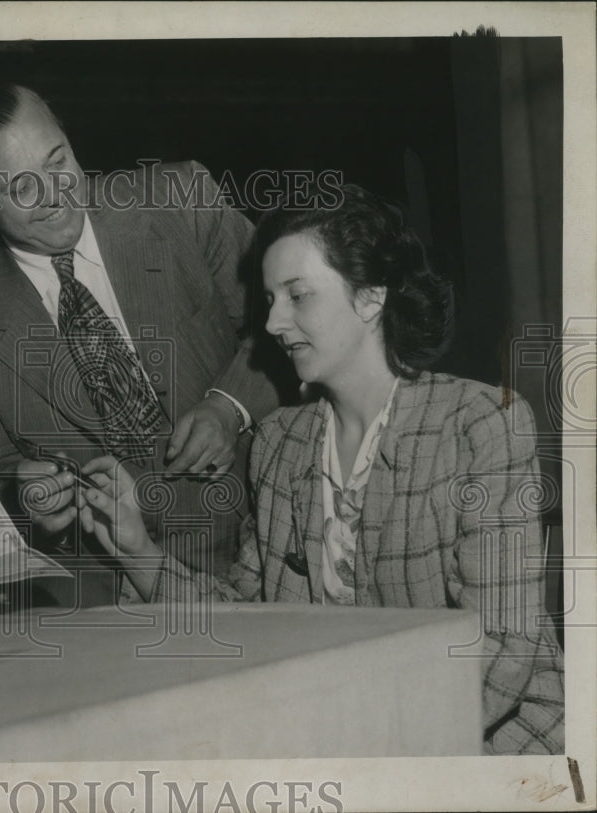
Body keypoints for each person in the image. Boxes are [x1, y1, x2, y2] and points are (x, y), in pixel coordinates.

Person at [76, 184, 565, 755]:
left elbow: (503, 645)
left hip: (488, 741)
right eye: (269, 300)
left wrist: (358, 747)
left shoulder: (481, 424)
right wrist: (138, 551)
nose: (275, 323)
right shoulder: (280, 443)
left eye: (297, 295)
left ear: (370, 298)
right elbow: (247, 621)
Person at [0, 84, 278, 607]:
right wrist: (25, 500)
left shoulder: (179, 199)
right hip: (107, 596)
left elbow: (289, 325)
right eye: (20, 186)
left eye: (57, 160)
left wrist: (232, 406)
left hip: (261, 537)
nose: (55, 194)